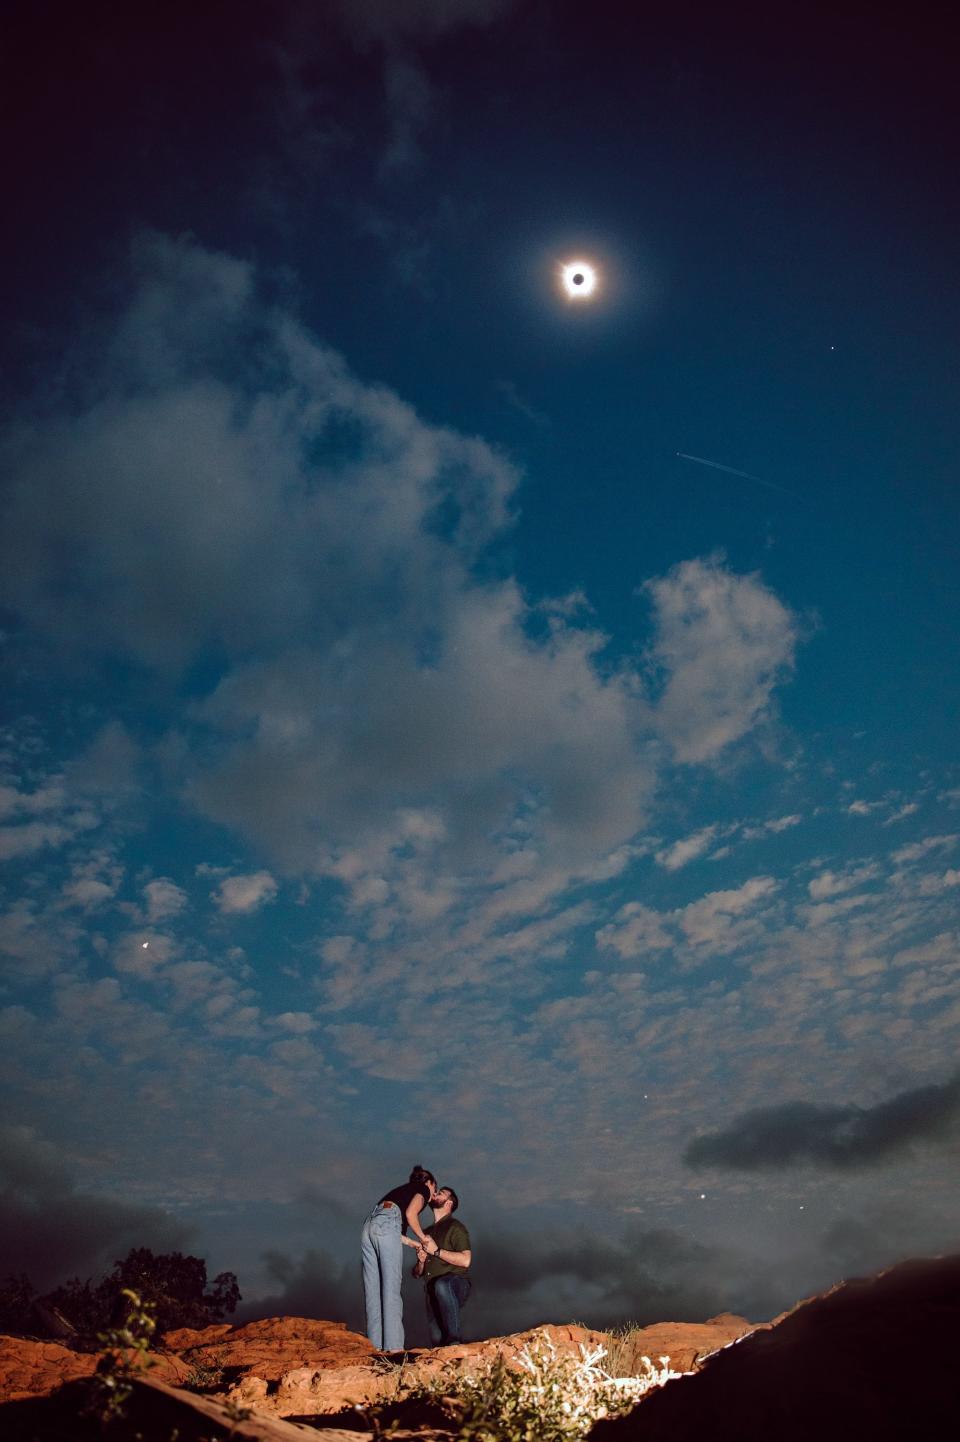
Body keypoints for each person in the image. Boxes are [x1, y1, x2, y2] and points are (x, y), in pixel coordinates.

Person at [361, 1164, 440, 1353]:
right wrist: (423, 1238)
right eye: (435, 1189)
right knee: (391, 1290)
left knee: (374, 1293)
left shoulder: (400, 1192)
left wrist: (414, 1244)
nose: (433, 1195)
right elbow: (410, 1214)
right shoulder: (422, 1189)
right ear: (429, 1183)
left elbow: (388, 1228)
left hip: (369, 1227)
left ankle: (375, 1350)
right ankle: (394, 1349)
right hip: (388, 1223)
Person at [414, 1185, 472, 1346]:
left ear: (449, 1203)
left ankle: (455, 1339)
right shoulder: (426, 1232)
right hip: (431, 1291)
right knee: (437, 1342)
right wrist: (421, 1260)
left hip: (456, 1282)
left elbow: (465, 1260)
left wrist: (437, 1251)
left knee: (442, 1284)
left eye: (441, 1193)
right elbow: (417, 1273)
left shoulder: (456, 1227)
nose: (435, 1194)